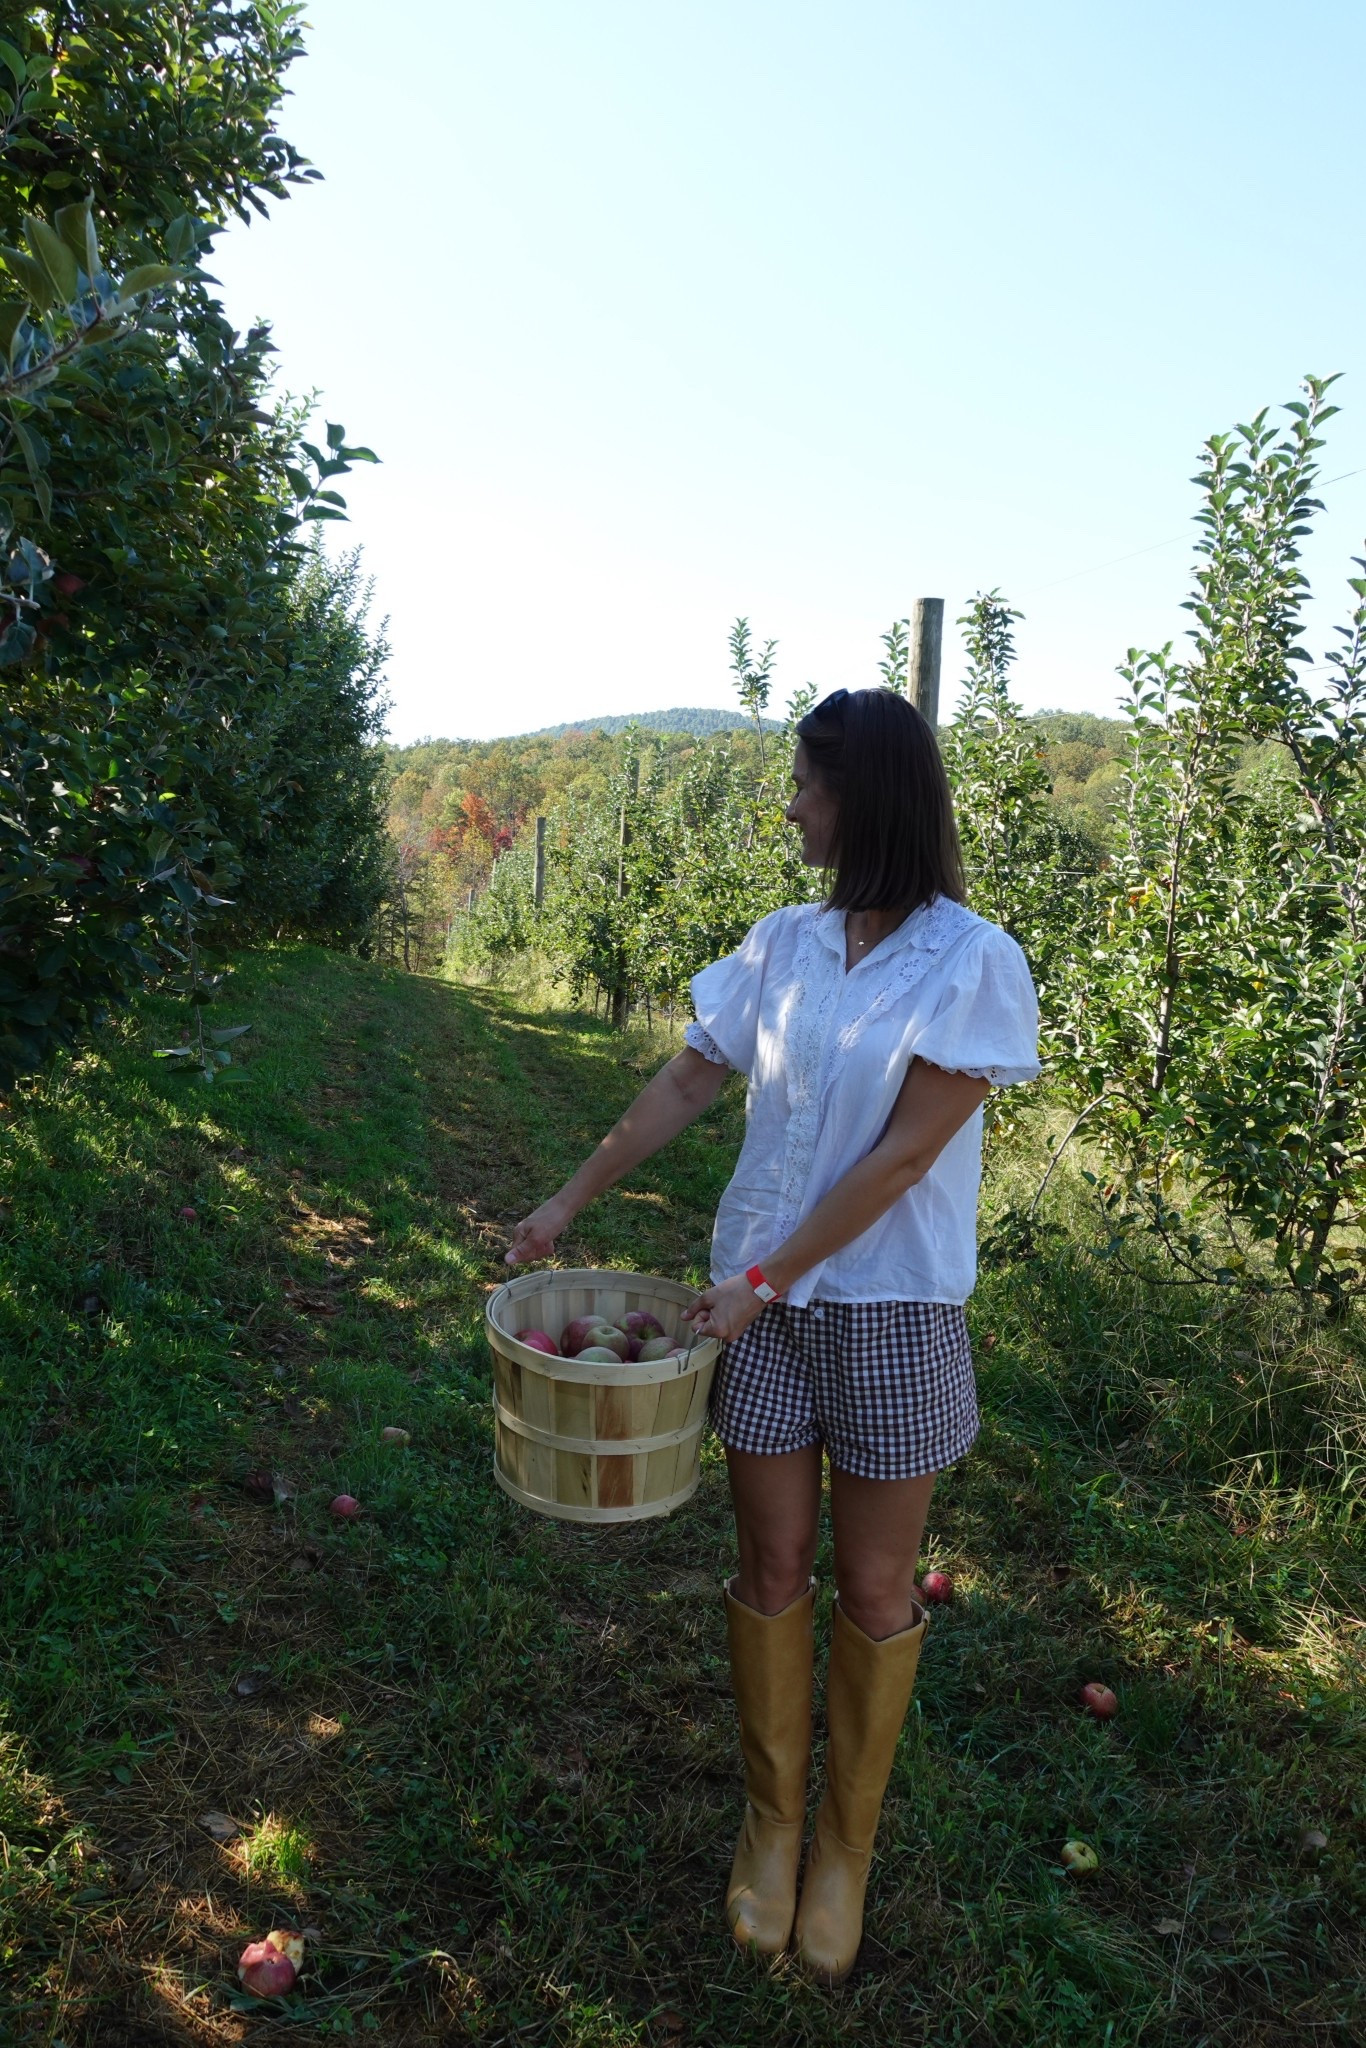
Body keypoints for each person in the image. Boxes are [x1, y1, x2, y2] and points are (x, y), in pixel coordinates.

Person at [505, 687, 1040, 1983]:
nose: (789, 802)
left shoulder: (970, 960)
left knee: (869, 1584)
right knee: (770, 1560)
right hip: (755, 1307)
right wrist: (568, 1198)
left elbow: (910, 1154)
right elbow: (693, 1074)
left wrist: (768, 1276)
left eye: (804, 782)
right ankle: (772, 1825)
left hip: (886, 1313)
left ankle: (843, 1850)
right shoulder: (782, 945)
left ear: (862, 799)